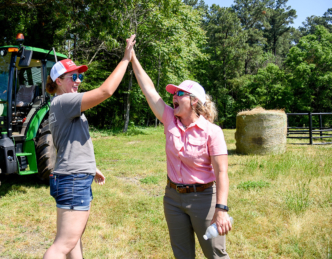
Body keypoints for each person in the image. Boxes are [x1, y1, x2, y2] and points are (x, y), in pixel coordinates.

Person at [131, 50, 232, 258]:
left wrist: (221, 209)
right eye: (173, 94)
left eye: (179, 94)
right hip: (173, 198)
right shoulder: (170, 120)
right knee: (182, 255)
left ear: (194, 101)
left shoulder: (212, 132)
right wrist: (132, 57)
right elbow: (149, 89)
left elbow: (221, 173)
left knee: (215, 253)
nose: (173, 97)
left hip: (204, 199)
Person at [43, 34, 136, 259]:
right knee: (63, 244)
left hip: (72, 175)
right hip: (73, 179)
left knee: (73, 241)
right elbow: (106, 92)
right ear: (58, 81)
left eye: (79, 77)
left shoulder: (58, 105)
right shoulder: (64, 101)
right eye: (73, 77)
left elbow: (68, 143)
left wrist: (91, 166)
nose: (78, 81)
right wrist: (125, 59)